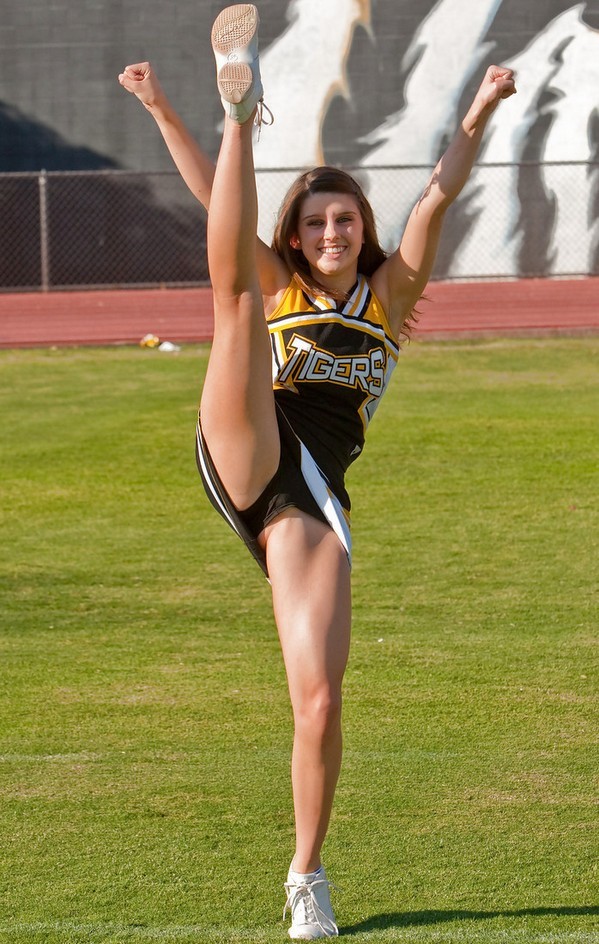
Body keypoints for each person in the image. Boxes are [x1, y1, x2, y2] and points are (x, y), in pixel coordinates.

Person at [119, 6, 516, 939]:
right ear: (294, 237)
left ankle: (307, 876)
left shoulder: (389, 295)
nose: (331, 231)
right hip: (249, 434)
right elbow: (209, 213)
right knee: (233, 304)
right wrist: (168, 111)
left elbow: (437, 200)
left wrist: (484, 109)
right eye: (314, 222)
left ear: (357, 228)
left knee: (322, 695)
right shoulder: (282, 280)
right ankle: (237, 110)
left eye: (343, 219)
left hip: (313, 491)